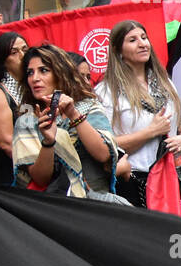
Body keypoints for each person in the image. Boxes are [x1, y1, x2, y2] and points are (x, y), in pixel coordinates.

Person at [95, 20, 181, 209]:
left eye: (144, 37)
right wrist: (150, 132)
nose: (142, 44)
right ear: (118, 51)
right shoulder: (106, 92)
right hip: (136, 180)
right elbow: (104, 146)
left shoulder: (165, 83)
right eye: (132, 40)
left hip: (173, 175)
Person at [13, 44, 124, 200]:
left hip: (98, 203)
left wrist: (73, 115)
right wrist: (49, 141)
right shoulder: (27, 120)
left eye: (43, 70)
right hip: (56, 208)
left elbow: (103, 154)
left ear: (61, 73)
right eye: (30, 73)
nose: (35, 78)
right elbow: (40, 178)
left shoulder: (87, 106)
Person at [0, 32, 28, 186]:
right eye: (14, 52)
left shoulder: (34, 89)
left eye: (25, 49)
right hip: (10, 180)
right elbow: (7, 144)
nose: (22, 55)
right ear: (3, 61)